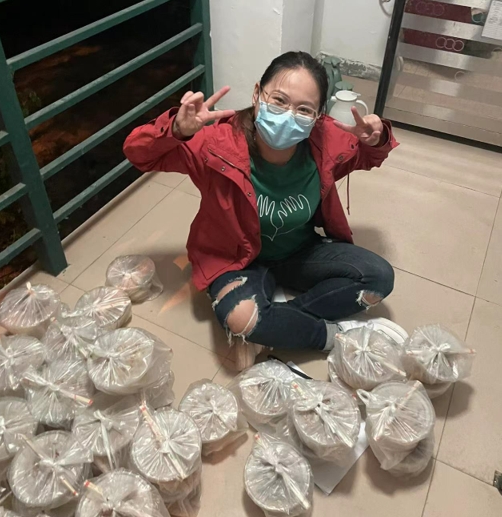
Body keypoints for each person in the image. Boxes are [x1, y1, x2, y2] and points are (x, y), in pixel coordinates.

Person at [124, 51, 398, 371]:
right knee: (242, 317)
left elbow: (368, 156)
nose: (288, 115)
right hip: (235, 257)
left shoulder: (324, 141)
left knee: (379, 278)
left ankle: (269, 325)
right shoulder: (216, 144)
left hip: (300, 252)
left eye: (304, 109)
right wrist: (176, 129)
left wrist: (376, 138)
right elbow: (139, 155)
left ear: (318, 116)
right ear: (257, 94)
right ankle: (320, 334)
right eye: (279, 100)